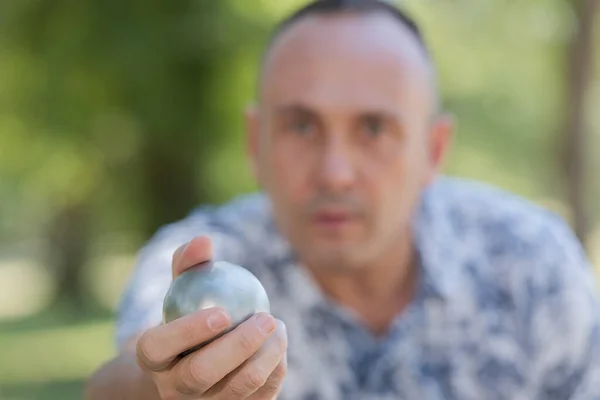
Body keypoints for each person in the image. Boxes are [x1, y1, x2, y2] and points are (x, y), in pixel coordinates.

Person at [84, 0, 600, 399]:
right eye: (301, 125)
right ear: (254, 144)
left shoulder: (530, 263)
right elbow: (122, 376)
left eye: (374, 128)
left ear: (433, 150)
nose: (335, 173)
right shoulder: (203, 263)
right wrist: (161, 385)